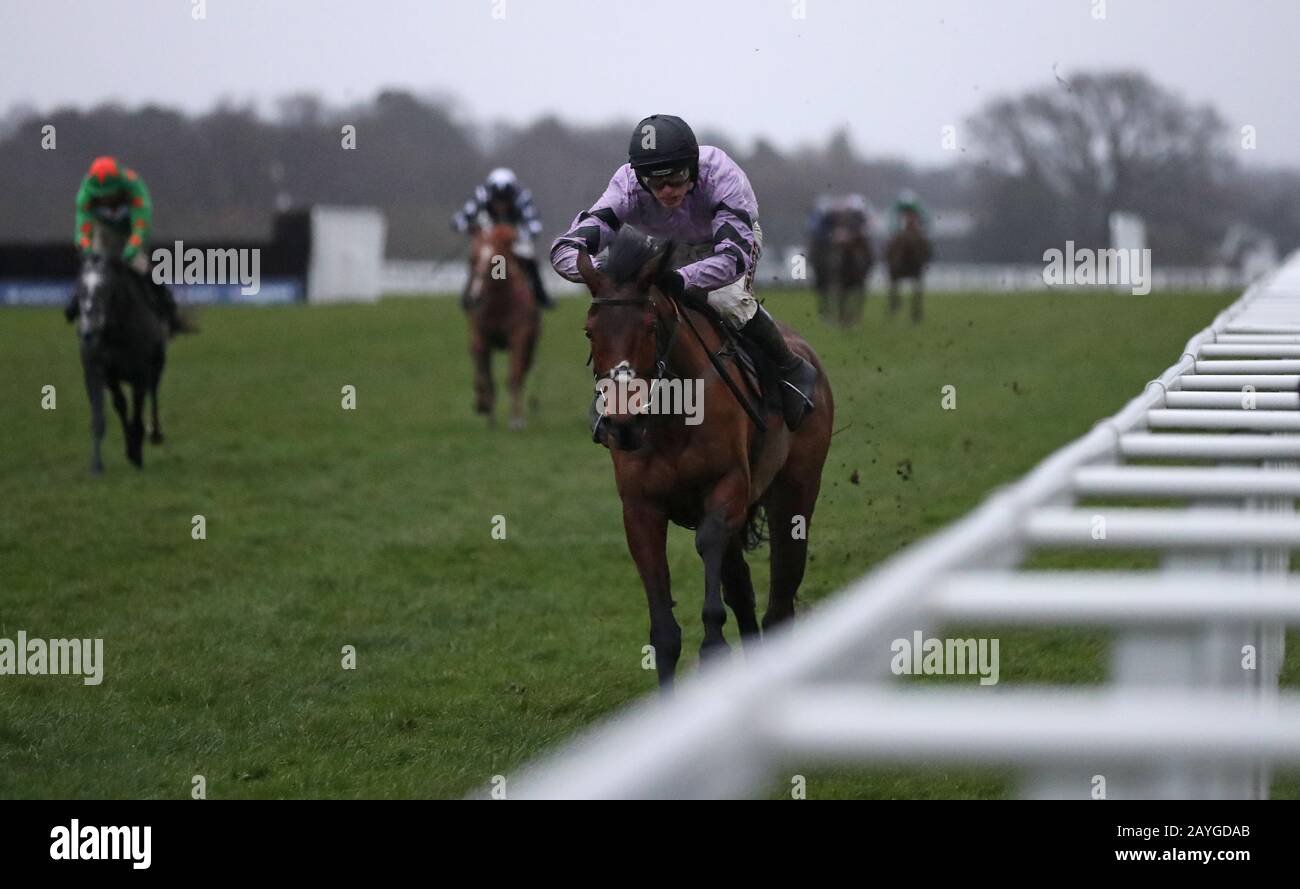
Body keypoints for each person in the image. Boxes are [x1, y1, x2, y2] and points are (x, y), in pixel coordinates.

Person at [550, 114, 817, 430]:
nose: (665, 190)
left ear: (692, 166)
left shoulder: (720, 174)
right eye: (655, 182)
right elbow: (566, 248)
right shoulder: (626, 186)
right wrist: (604, 277)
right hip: (667, 247)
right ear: (640, 178)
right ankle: (617, 394)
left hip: (727, 243)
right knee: (625, 309)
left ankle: (789, 366)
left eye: (675, 178)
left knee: (726, 298)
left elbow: (733, 257)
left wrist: (682, 279)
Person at [66, 155, 191, 334]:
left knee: (142, 269)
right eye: (101, 196)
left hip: (131, 233)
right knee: (92, 270)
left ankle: (169, 312)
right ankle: (76, 303)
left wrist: (130, 252)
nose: (106, 199)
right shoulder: (85, 194)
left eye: (110, 194)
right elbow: (83, 229)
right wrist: (86, 250)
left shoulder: (135, 187)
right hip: (104, 232)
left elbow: (141, 226)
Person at [452, 167, 552, 308]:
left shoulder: (522, 197)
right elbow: (459, 220)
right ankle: (469, 295)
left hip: (514, 237)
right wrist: (471, 228)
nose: (501, 205)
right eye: (497, 199)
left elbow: (535, 225)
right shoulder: (481, 195)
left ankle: (540, 294)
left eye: (505, 199)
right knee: (478, 259)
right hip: (489, 236)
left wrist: (517, 234)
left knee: (530, 258)